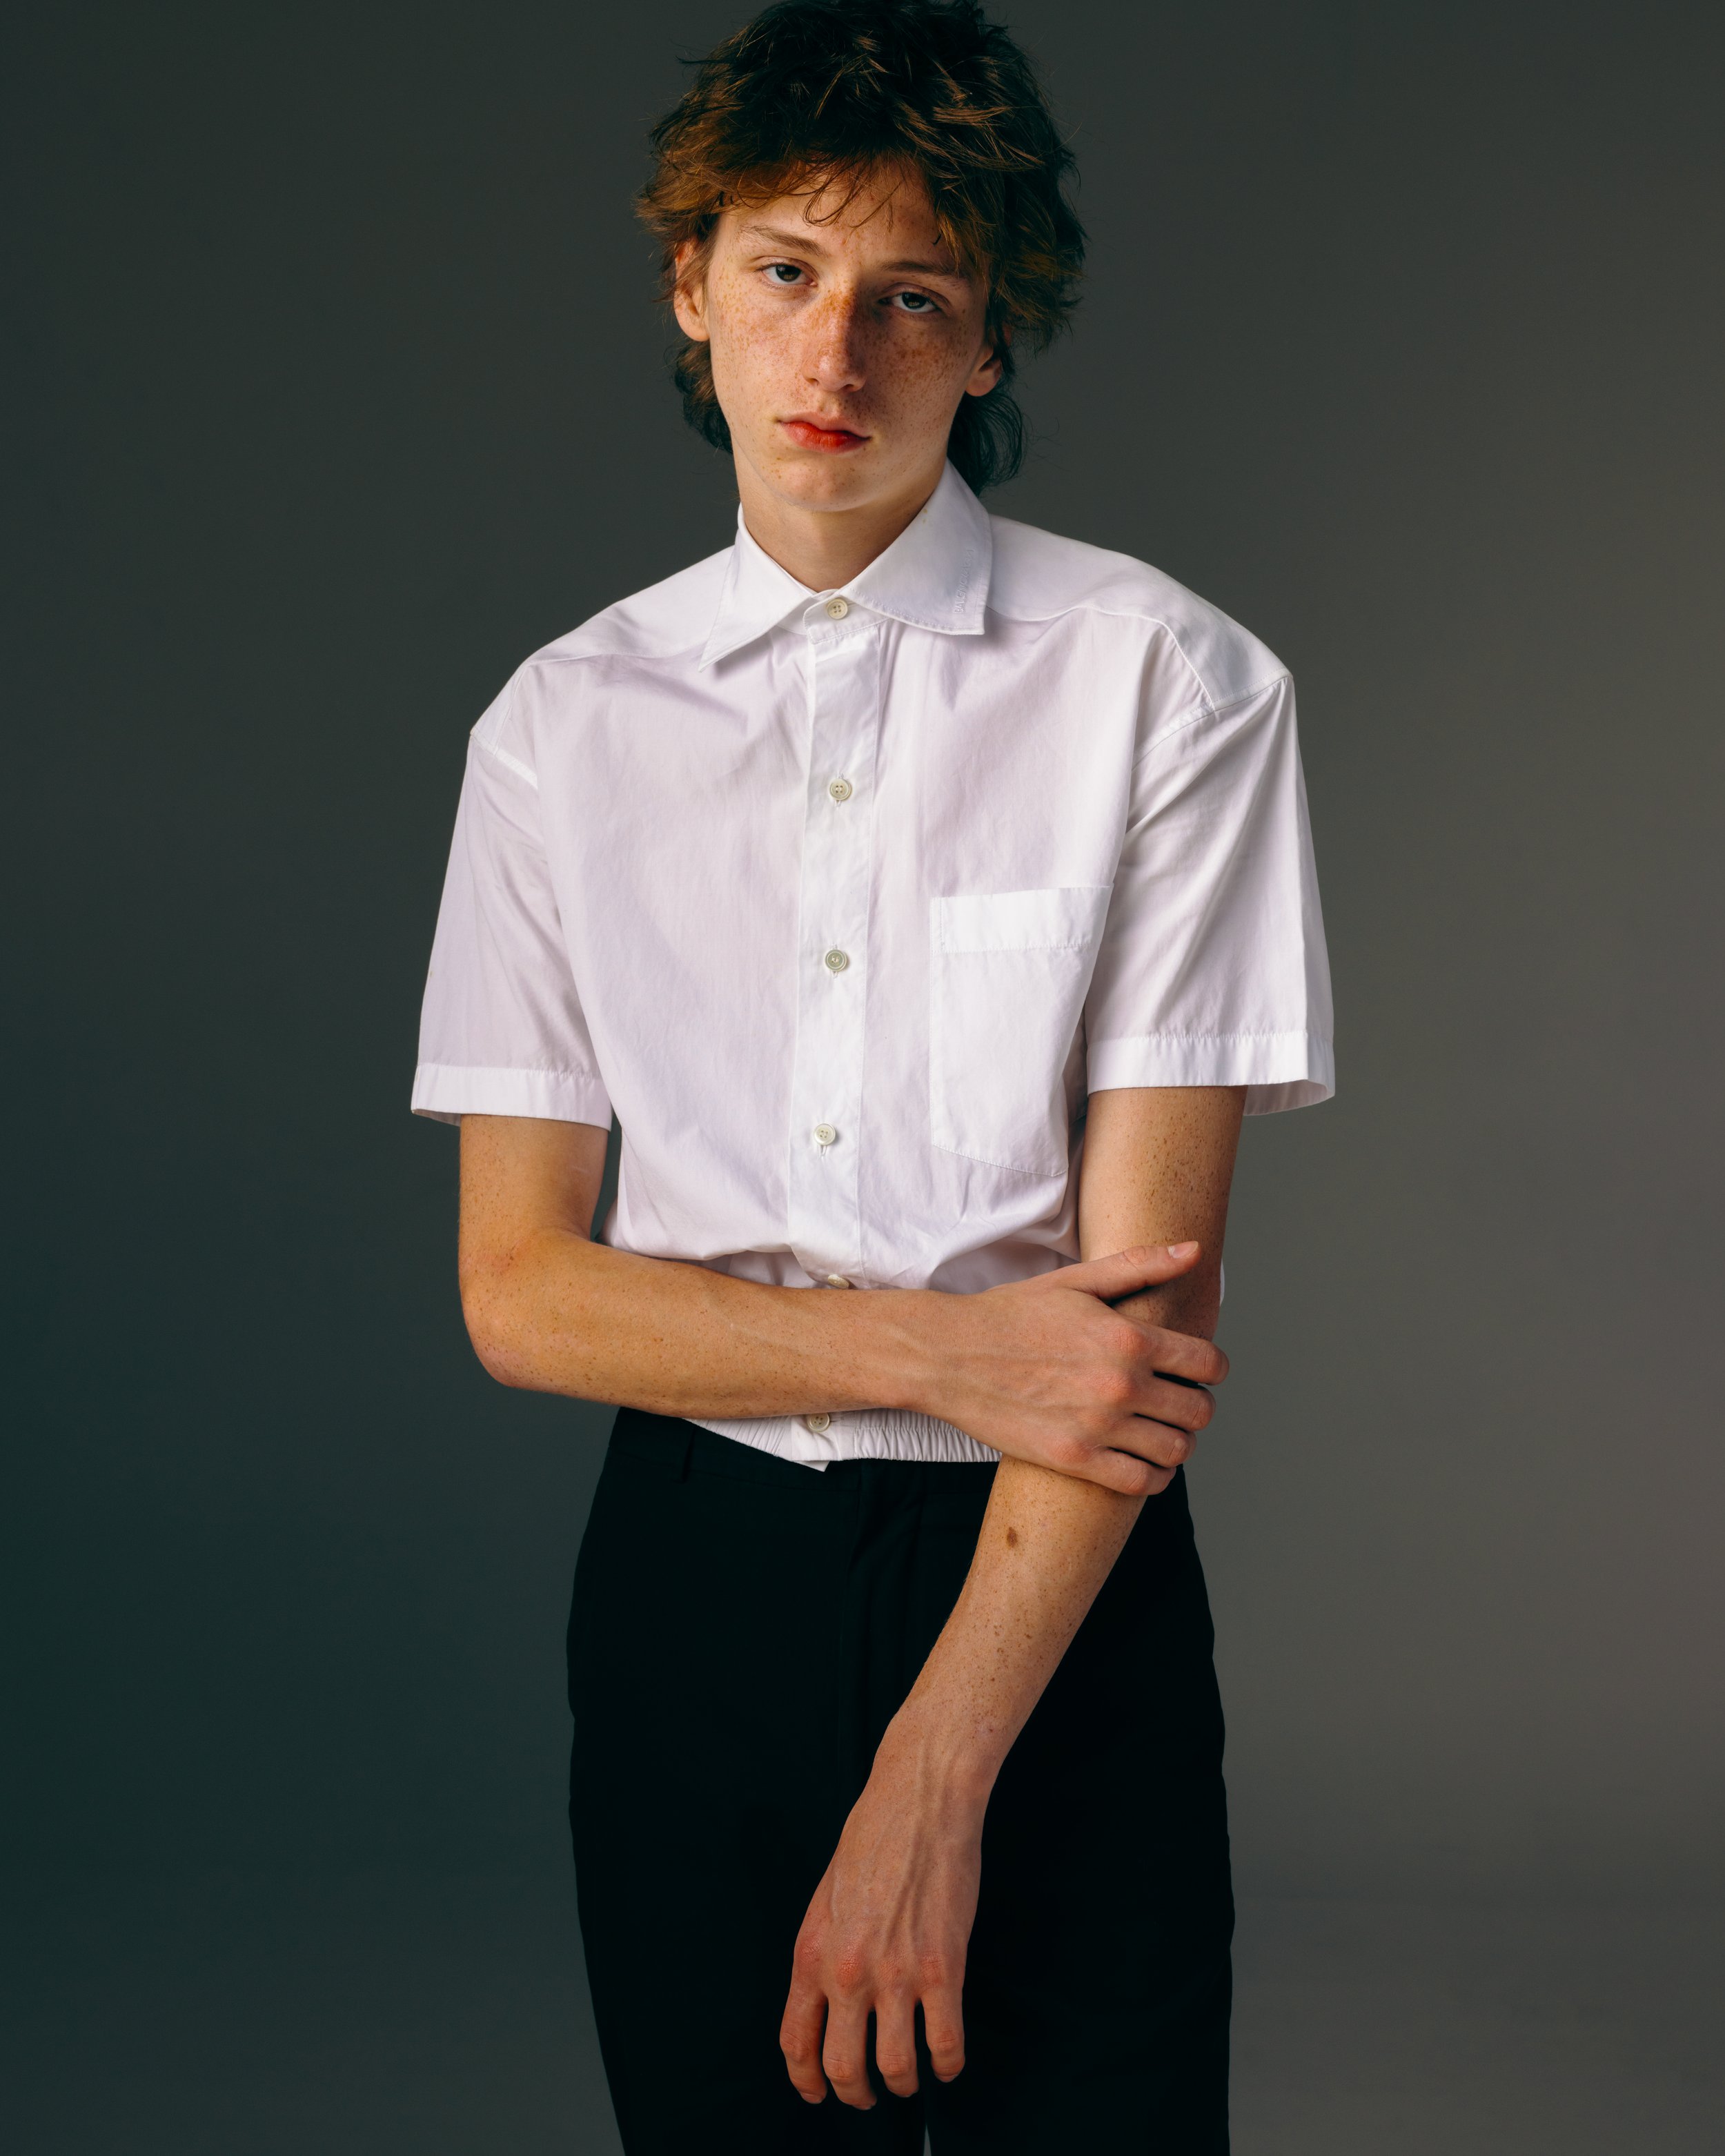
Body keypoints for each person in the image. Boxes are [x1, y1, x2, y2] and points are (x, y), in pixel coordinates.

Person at [412, 2, 1332, 2147]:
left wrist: (931, 1788)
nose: (835, 356)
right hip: (687, 1593)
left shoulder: (1169, 687)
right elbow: (523, 1296)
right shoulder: (557, 729)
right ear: (691, 289)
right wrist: (948, 1348)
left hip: (1054, 1602)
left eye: (912, 296)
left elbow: (1134, 1338)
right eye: (785, 274)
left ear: (989, 338)